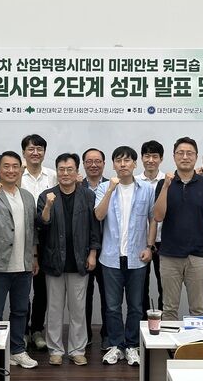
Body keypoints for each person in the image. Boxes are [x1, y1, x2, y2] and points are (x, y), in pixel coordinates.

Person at [37, 153, 101, 366]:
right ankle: (55, 350)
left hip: (79, 261)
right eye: (61, 170)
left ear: (76, 172)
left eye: (69, 169)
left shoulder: (87, 195)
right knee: (54, 309)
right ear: (57, 172)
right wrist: (48, 206)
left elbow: (94, 228)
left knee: (78, 310)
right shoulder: (46, 195)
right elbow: (42, 225)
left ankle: (77, 350)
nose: (65, 173)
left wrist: (93, 254)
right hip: (54, 261)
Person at [95, 146, 156, 366]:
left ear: (134, 164)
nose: (123, 164)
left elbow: (153, 219)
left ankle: (131, 346)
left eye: (127, 160)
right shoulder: (104, 187)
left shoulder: (146, 189)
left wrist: (149, 246)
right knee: (112, 306)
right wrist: (110, 190)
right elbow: (98, 215)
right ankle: (116, 345)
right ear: (113, 165)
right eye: (119, 160)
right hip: (110, 257)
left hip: (137, 257)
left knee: (135, 306)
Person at [0, 151, 39, 369]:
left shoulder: (27, 196)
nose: (11, 170)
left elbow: (32, 229)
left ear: (20, 169)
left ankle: (17, 350)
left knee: (20, 310)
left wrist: (34, 257)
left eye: (15, 166)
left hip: (23, 264)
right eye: (6, 166)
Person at [154, 137, 203, 320]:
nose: (185, 157)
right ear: (174, 156)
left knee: (198, 308)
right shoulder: (163, 184)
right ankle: (170, 341)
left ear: (196, 157)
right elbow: (158, 216)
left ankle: (197, 340)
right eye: (180, 153)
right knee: (169, 308)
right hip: (169, 255)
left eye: (189, 153)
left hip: (198, 256)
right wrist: (166, 187)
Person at [20, 134, 57, 350]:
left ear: (44, 152)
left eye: (39, 149)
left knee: (42, 289)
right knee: (22, 288)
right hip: (21, 237)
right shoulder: (17, 175)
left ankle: (36, 330)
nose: (35, 152)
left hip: (46, 238)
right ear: (24, 152)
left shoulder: (53, 176)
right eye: (31, 149)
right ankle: (22, 331)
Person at [82, 147, 109, 350]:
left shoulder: (112, 186)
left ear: (104, 164)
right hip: (83, 250)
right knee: (84, 295)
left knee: (109, 296)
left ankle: (108, 334)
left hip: (108, 249)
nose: (93, 165)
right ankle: (85, 335)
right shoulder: (76, 186)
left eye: (97, 161)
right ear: (83, 165)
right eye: (89, 161)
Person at [136, 140, 165, 317]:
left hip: (164, 242)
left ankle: (162, 324)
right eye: (147, 156)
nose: (151, 160)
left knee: (164, 287)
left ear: (161, 159)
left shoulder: (168, 181)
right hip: (141, 242)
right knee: (140, 287)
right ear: (141, 158)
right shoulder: (135, 181)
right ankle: (143, 324)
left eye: (155, 156)